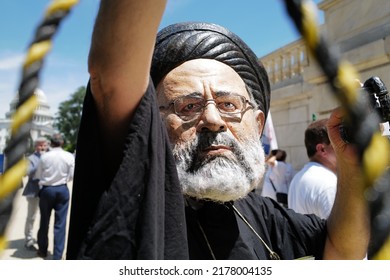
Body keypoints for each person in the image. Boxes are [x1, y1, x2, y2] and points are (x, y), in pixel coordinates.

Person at [66, 0, 369, 260]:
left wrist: (351, 162)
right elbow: (111, 80)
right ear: (151, 127)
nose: (213, 119)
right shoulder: (141, 204)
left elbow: (341, 252)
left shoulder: (260, 213)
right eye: (188, 106)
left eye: (228, 105)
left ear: (258, 124)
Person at [35, 133, 74, 260]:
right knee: (61, 223)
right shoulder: (69, 156)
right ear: (62, 143)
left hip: (47, 189)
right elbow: (71, 176)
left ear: (51, 143)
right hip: (62, 189)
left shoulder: (45, 157)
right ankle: (57, 255)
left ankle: (42, 250)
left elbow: (38, 175)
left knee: (44, 221)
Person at [288, 119, 337, 219]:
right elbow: (341, 233)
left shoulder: (297, 178)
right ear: (322, 149)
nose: (342, 149)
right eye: (337, 144)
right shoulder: (329, 183)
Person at [21, 137, 48, 250]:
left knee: (45, 217)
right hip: (33, 192)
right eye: (39, 145)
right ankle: (28, 239)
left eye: (43, 145)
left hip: (46, 191)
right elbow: (27, 172)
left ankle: (41, 239)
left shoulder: (49, 156)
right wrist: (40, 162)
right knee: (31, 217)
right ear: (35, 146)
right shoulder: (30, 158)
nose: (41, 147)